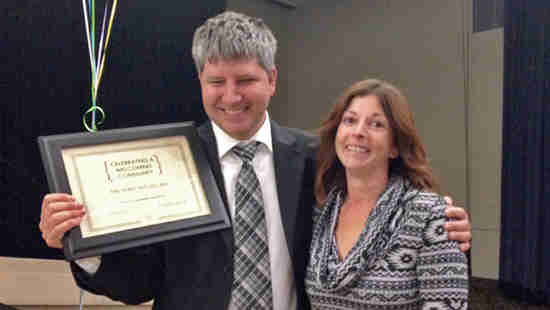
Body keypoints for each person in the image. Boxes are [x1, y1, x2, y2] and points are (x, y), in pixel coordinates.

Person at [39, 11, 471, 310]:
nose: (231, 96)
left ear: (272, 80)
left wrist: (445, 229)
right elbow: (138, 284)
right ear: (200, 82)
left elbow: (382, 198)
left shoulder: (317, 158)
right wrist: (82, 246)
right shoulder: (169, 165)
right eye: (216, 81)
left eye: (246, 80)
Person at [305, 79, 469, 309]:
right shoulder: (321, 212)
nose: (358, 132)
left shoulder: (429, 215)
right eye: (350, 120)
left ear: (395, 146)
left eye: (376, 124)